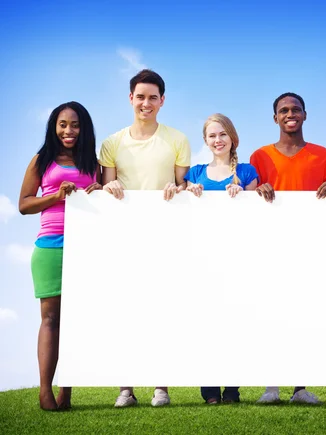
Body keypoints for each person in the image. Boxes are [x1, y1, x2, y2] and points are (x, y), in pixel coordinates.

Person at [99, 69, 191, 407]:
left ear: (162, 101)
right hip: (124, 237)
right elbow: (107, 186)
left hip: (165, 236)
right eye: (140, 96)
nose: (146, 103)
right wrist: (109, 185)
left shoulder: (177, 139)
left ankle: (161, 387)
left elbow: (184, 186)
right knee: (126, 309)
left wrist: (177, 187)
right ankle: (126, 387)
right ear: (130, 99)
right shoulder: (112, 143)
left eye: (153, 97)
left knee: (161, 309)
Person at [250, 92, 326, 404]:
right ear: (275, 118)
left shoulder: (324, 156)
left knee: (304, 315)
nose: (290, 114)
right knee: (272, 314)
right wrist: (258, 189)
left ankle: (300, 387)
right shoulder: (260, 157)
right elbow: (249, 194)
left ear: (305, 115)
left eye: (295, 109)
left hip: (311, 247)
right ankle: (271, 386)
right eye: (283, 110)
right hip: (271, 246)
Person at [19, 102, 102, 410]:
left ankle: (67, 391)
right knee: (50, 319)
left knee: (76, 321)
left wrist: (100, 191)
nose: (69, 131)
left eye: (76, 125)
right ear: (54, 126)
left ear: (84, 129)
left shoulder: (92, 162)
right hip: (50, 246)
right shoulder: (42, 161)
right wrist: (55, 195)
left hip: (86, 247)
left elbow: (109, 199)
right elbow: (24, 204)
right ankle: (45, 391)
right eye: (63, 124)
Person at [184, 113, 258, 404]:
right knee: (207, 322)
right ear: (205, 141)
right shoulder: (195, 173)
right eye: (212, 136)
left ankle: (232, 388)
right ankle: (210, 389)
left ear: (232, 138)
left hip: (237, 257)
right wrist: (190, 191)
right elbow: (184, 208)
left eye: (223, 134)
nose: (218, 140)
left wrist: (243, 196)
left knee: (234, 321)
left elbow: (255, 217)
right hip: (203, 257)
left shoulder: (248, 172)